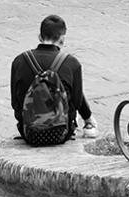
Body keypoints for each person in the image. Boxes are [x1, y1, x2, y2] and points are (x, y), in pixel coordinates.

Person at [10, 14, 98, 142]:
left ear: (40, 37)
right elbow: (77, 102)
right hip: (62, 132)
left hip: (29, 132)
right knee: (71, 86)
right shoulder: (72, 63)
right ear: (62, 40)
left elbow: (15, 103)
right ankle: (89, 122)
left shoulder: (19, 61)